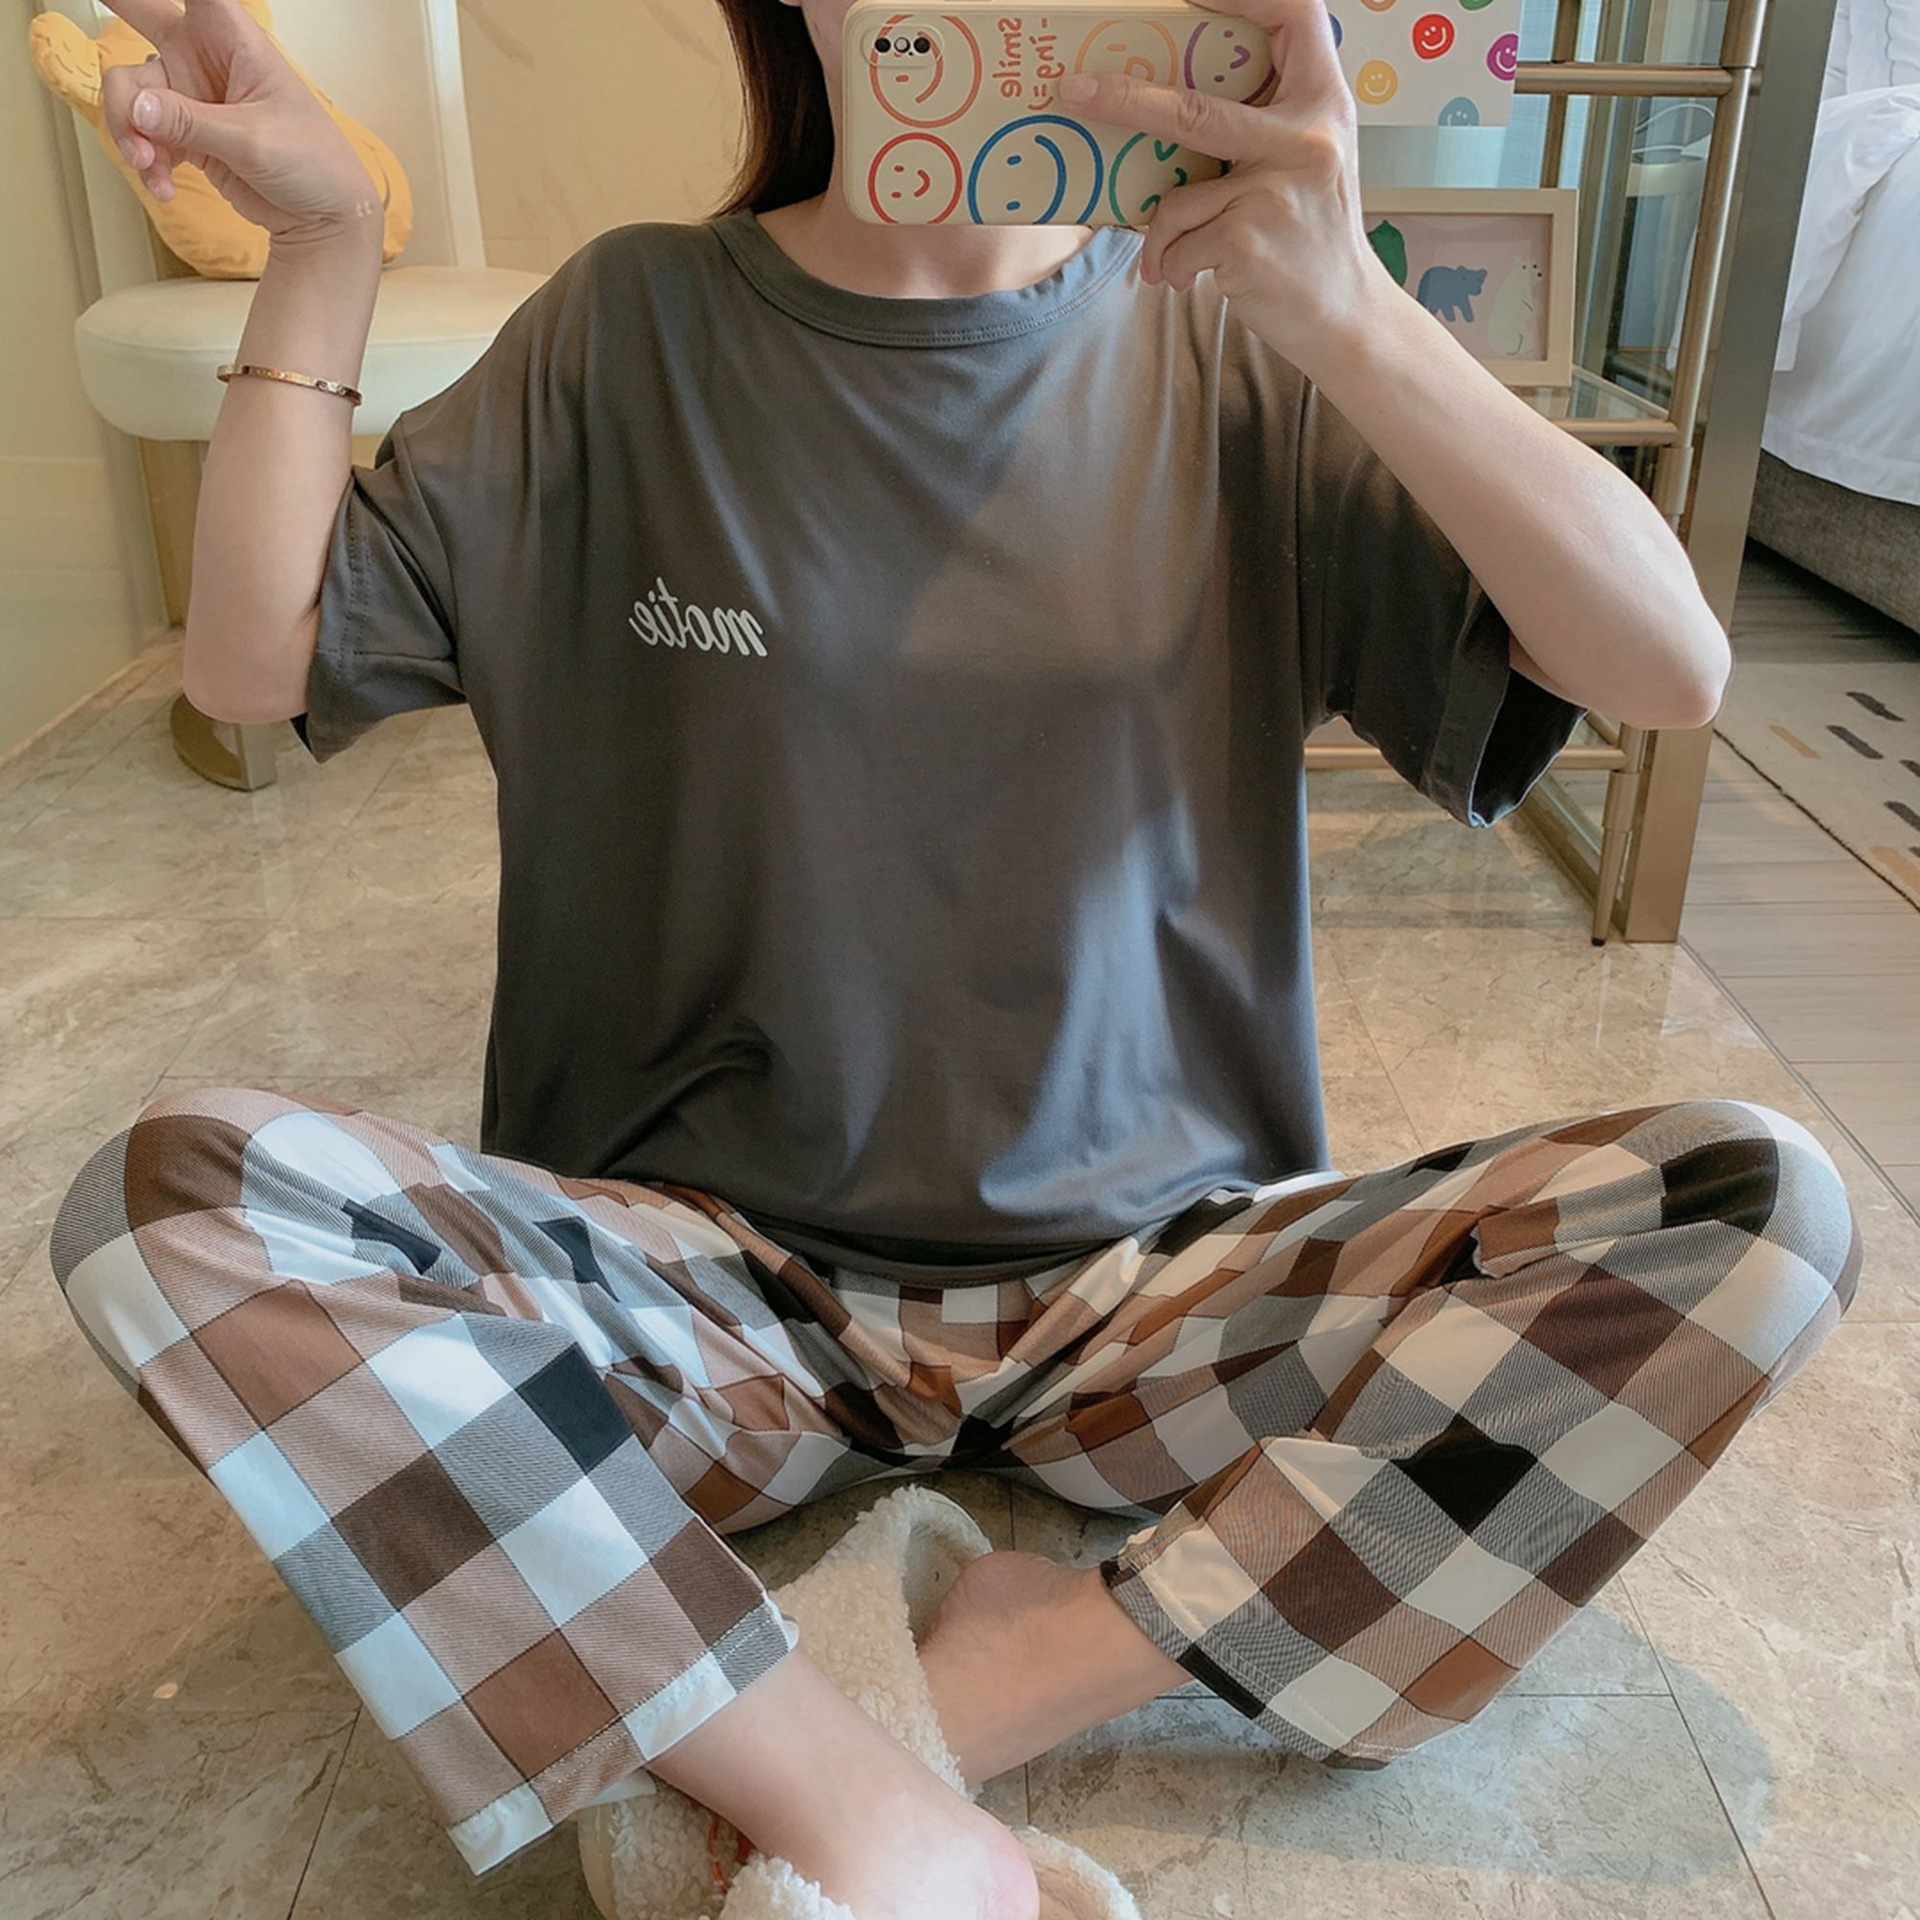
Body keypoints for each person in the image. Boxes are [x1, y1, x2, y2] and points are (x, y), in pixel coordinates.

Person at [52, 1, 1863, 1916]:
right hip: (713, 1308)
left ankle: (983, 1681)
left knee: (1755, 1210)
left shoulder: (1236, 344)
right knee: (173, 1208)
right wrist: (325, 240)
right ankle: (855, 1794)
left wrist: (1347, 308)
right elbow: (253, 663)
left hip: (1156, 1298)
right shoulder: (627, 328)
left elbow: (1668, 668)